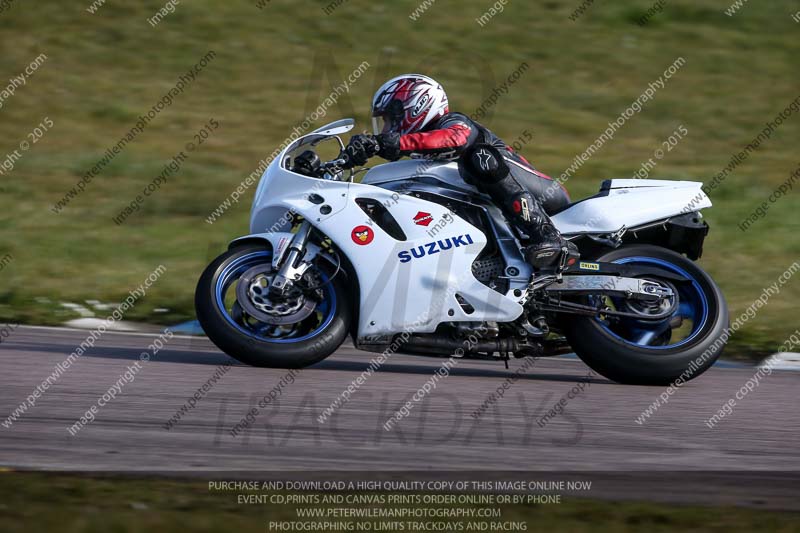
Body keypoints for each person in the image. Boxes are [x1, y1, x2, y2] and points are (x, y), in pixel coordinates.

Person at [341, 73, 577, 271]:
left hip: (544, 193)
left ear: (417, 107)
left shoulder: (453, 123)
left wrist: (386, 143)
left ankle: (546, 235)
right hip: (498, 212)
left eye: (392, 119)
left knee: (479, 159)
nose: (387, 128)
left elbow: (455, 138)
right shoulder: (420, 155)